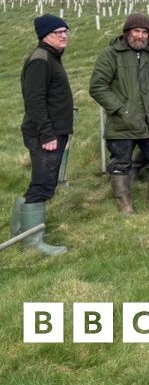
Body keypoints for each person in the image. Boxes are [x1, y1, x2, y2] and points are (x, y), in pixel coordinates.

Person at [89, 13, 149, 213]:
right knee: (120, 164)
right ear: (127, 32)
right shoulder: (111, 54)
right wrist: (120, 109)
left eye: (145, 32)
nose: (141, 36)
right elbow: (98, 86)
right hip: (122, 123)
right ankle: (125, 205)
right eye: (136, 31)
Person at [14, 14, 73, 255]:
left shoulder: (50, 57)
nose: (64, 35)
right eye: (58, 32)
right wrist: (47, 134)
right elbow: (35, 100)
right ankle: (33, 242)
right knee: (44, 183)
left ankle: (19, 232)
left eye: (65, 31)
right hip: (45, 134)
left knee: (41, 181)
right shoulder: (41, 60)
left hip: (53, 131)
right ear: (44, 35)